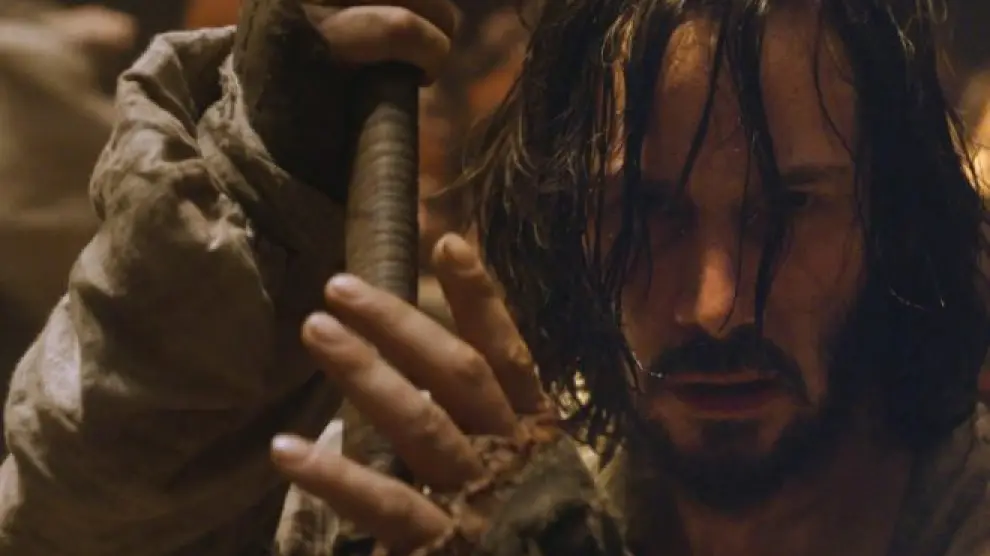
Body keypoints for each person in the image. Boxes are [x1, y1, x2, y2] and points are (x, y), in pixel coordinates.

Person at [1, 2, 989, 556]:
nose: (713, 304)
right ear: (568, 217)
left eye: (791, 209)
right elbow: (70, 531)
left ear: (890, 218)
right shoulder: (465, 485)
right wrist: (268, 173)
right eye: (644, 213)